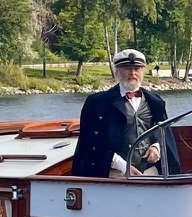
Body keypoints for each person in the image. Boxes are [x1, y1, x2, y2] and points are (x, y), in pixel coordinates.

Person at [70, 49, 180, 179]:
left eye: (137, 68)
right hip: (114, 173)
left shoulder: (155, 101)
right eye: (127, 68)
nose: (132, 73)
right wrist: (122, 165)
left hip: (150, 172)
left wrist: (156, 147)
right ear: (117, 71)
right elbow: (92, 142)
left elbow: (162, 133)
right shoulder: (97, 103)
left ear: (142, 71)